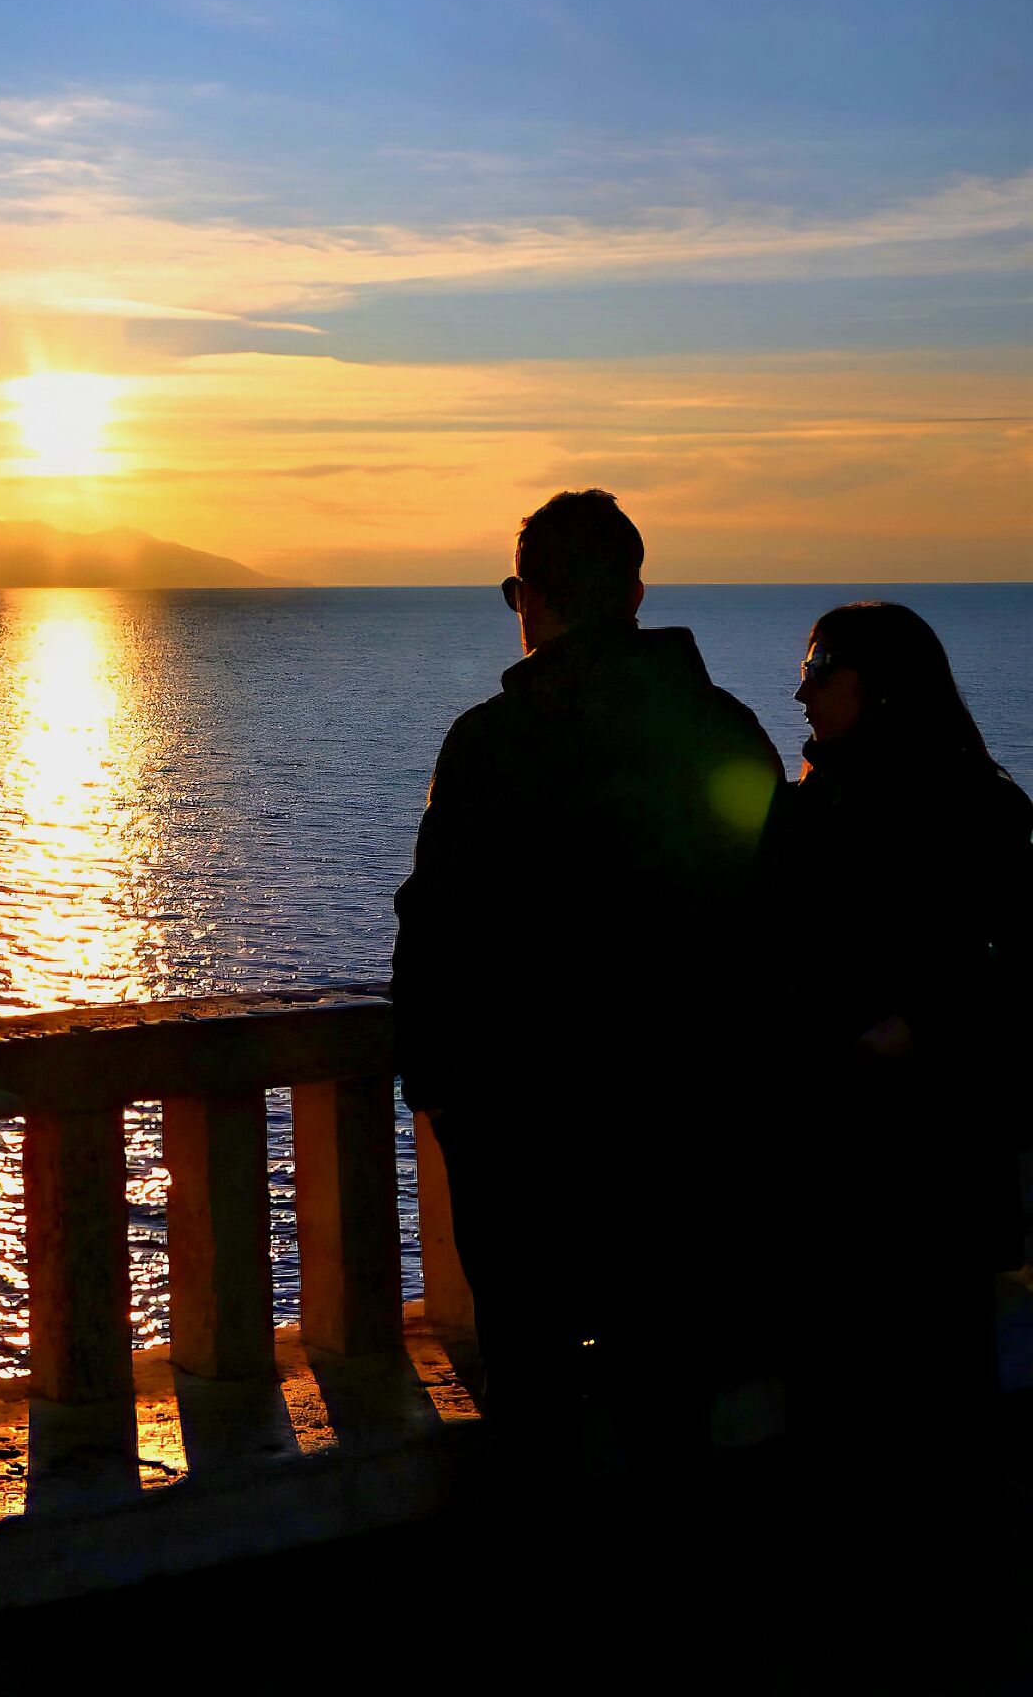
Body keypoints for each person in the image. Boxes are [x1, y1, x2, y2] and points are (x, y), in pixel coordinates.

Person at [391, 489, 783, 1504]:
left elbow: (434, 932)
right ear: (636, 594)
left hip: (524, 1136)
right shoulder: (726, 733)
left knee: (532, 1398)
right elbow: (776, 918)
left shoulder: (491, 744)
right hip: (687, 1129)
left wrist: (440, 1093)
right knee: (672, 1394)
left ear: (529, 598)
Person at [763, 600, 1032, 1670]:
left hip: (922, 1169)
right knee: (854, 1415)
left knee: (926, 1416)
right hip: (839, 1166)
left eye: (822, 667)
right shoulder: (813, 807)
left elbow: (1018, 968)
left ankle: (934, 1628)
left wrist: (921, 1023)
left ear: (882, 686)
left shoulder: (975, 811)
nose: (803, 689)